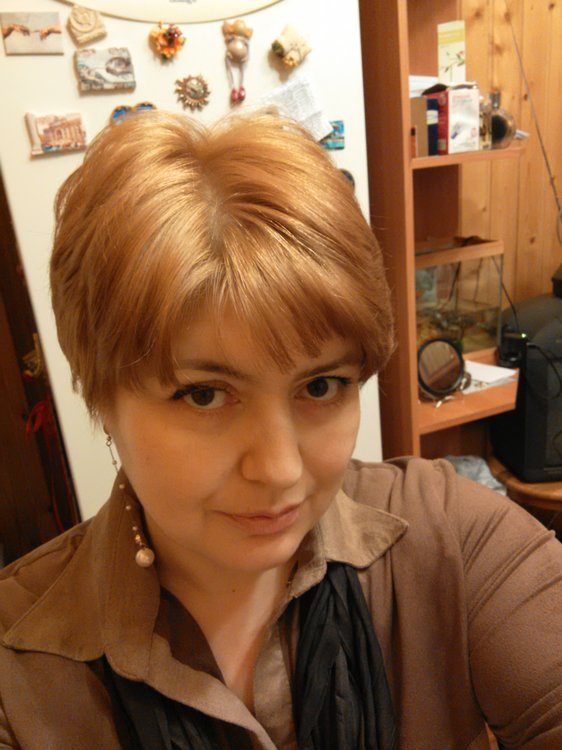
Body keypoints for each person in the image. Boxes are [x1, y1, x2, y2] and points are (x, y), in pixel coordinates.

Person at [0, 110, 560, 750]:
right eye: (205, 395)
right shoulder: (18, 669)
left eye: (320, 386)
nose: (280, 469)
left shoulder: (456, 543)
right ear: (101, 398)